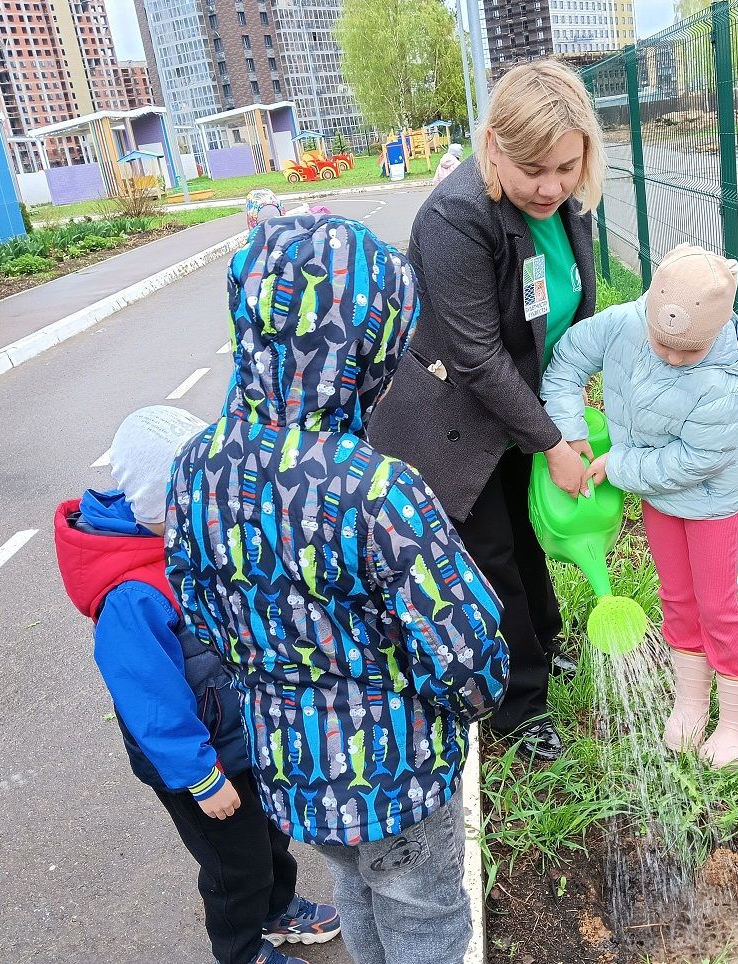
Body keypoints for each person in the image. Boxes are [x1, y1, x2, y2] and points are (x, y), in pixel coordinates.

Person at [165, 213, 509, 964]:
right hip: (397, 772)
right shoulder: (375, 489)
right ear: (370, 345)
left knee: (354, 885)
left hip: (291, 763)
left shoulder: (196, 466)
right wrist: (467, 705)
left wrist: (266, 669)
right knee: (424, 911)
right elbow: (466, 641)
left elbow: (193, 599)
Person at [368, 60, 607, 761]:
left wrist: (568, 403)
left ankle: (545, 641)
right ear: (492, 145)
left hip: (521, 404)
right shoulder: (456, 217)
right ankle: (517, 705)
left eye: (566, 166)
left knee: (527, 535)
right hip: (457, 419)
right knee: (491, 555)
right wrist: (553, 441)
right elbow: (476, 356)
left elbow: (564, 311)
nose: (551, 185)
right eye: (533, 168)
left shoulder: (570, 202)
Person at [53, 405, 341, 964]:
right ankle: (241, 950)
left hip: (243, 732)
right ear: (159, 504)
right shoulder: (133, 596)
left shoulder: (190, 541)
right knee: (235, 865)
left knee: (269, 833)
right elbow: (151, 705)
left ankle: (277, 910)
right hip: (198, 760)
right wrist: (202, 778)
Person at [541, 244, 738, 767]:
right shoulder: (622, 325)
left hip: (710, 502)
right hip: (658, 497)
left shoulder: (721, 385)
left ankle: (737, 718)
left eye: (689, 351)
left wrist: (617, 466)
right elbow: (567, 362)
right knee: (677, 598)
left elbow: (696, 460)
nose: (672, 358)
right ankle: (690, 701)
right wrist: (571, 433)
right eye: (663, 344)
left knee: (717, 605)